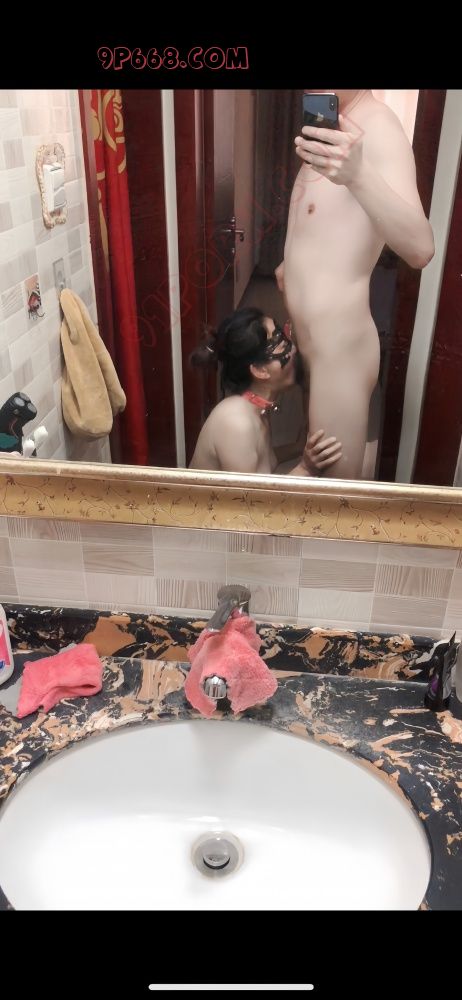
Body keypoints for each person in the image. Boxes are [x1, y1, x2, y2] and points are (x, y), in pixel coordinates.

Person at [277, 89, 435, 479]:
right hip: (313, 340)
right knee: (321, 461)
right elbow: (326, 221)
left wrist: (359, 174)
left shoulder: (379, 127)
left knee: (331, 490)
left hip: (339, 347)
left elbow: (420, 248)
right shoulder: (331, 124)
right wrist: (291, 266)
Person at [189, 307, 342, 475]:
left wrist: (297, 447)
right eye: (282, 344)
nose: (293, 349)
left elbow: (265, 462)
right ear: (260, 370)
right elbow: (252, 493)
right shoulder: (237, 424)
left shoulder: (255, 409)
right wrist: (306, 468)